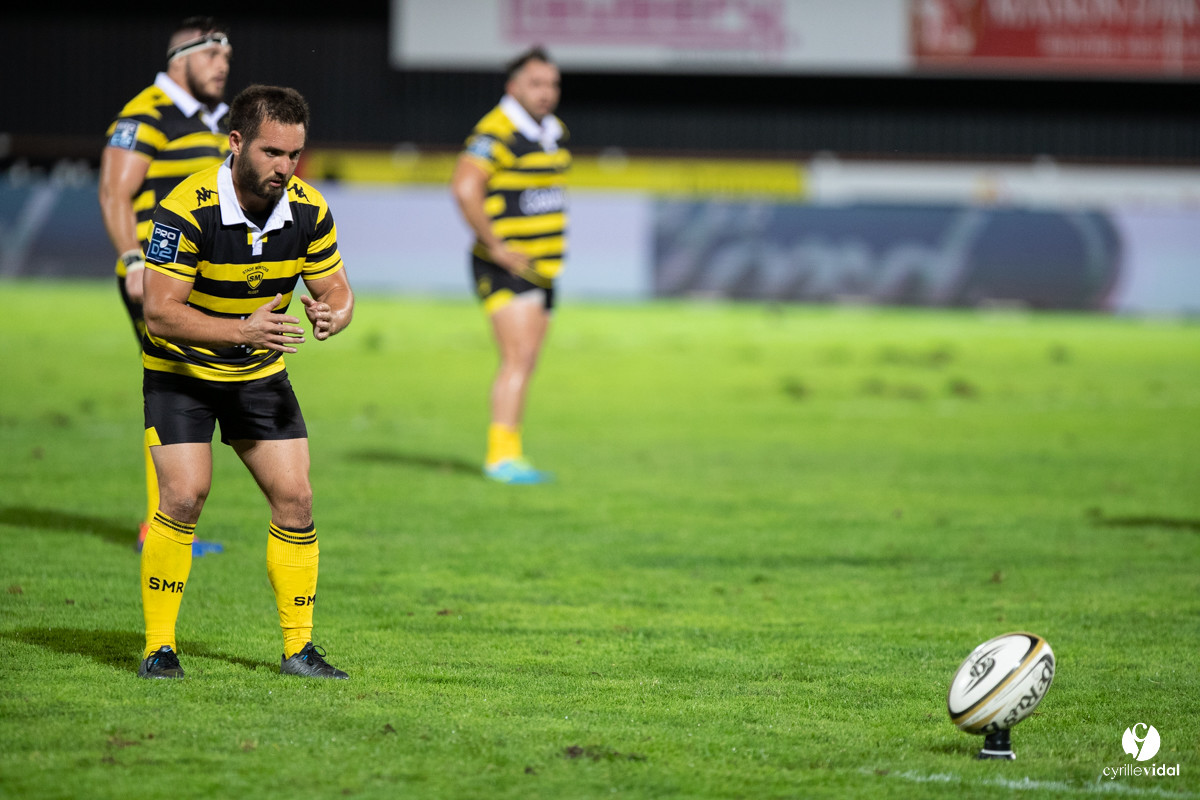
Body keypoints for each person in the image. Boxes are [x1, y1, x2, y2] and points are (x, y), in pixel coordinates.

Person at [136, 84, 354, 680]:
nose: (285, 167)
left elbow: (335, 286)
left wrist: (336, 309)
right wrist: (241, 329)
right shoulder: (187, 208)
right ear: (236, 144)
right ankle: (160, 647)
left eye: (294, 154)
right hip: (180, 372)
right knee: (183, 496)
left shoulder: (308, 209)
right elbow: (159, 310)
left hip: (257, 374)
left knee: (297, 499)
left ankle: (299, 650)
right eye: (271, 153)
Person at [99, 16, 233, 554]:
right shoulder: (145, 114)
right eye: (213, 57)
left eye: (227, 58)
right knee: (177, 393)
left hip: (193, 280)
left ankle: (169, 524)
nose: (223, 67)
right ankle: (161, 529)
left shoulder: (213, 120)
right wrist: (133, 260)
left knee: (192, 393)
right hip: (154, 277)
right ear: (181, 58)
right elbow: (114, 192)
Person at [450, 46, 570, 485]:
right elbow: (464, 188)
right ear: (513, 87)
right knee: (516, 359)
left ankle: (511, 452)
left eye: (553, 84)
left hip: (543, 269)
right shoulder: (496, 131)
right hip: (508, 267)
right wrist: (496, 246)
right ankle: (501, 457)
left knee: (527, 360)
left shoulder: (552, 130)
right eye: (536, 84)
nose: (546, 93)